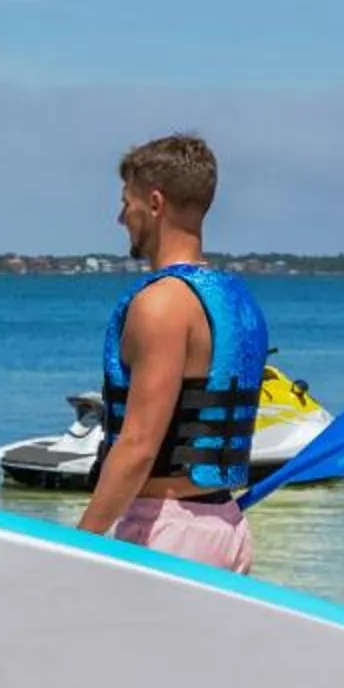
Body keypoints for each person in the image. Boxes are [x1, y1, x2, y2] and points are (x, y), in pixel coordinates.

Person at [76, 134, 269, 573]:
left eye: (128, 202)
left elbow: (140, 445)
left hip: (167, 531)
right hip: (226, 526)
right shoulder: (237, 301)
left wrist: (78, 547)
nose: (121, 216)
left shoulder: (161, 304)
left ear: (156, 203)